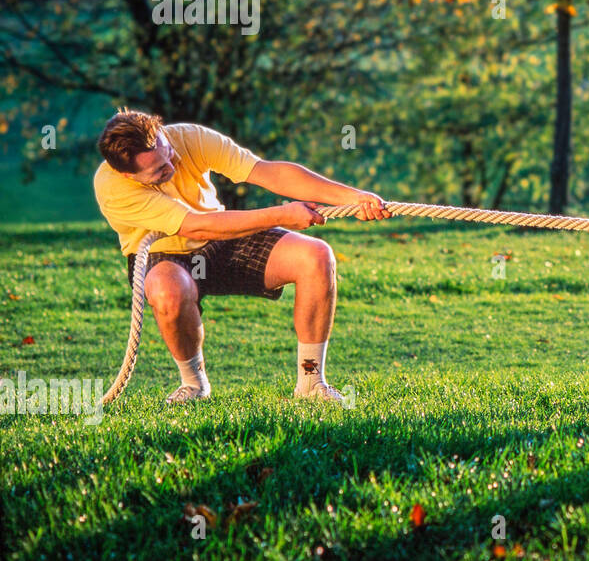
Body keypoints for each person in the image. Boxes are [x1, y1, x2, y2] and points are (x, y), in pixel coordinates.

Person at [93, 109, 389, 405]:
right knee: (165, 289)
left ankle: (311, 383)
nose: (172, 164)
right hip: (166, 255)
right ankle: (194, 385)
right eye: (159, 170)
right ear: (127, 174)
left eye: (169, 153)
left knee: (316, 255)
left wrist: (353, 197)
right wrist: (283, 215)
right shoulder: (112, 188)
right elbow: (196, 224)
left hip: (222, 238)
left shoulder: (189, 137)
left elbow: (266, 172)